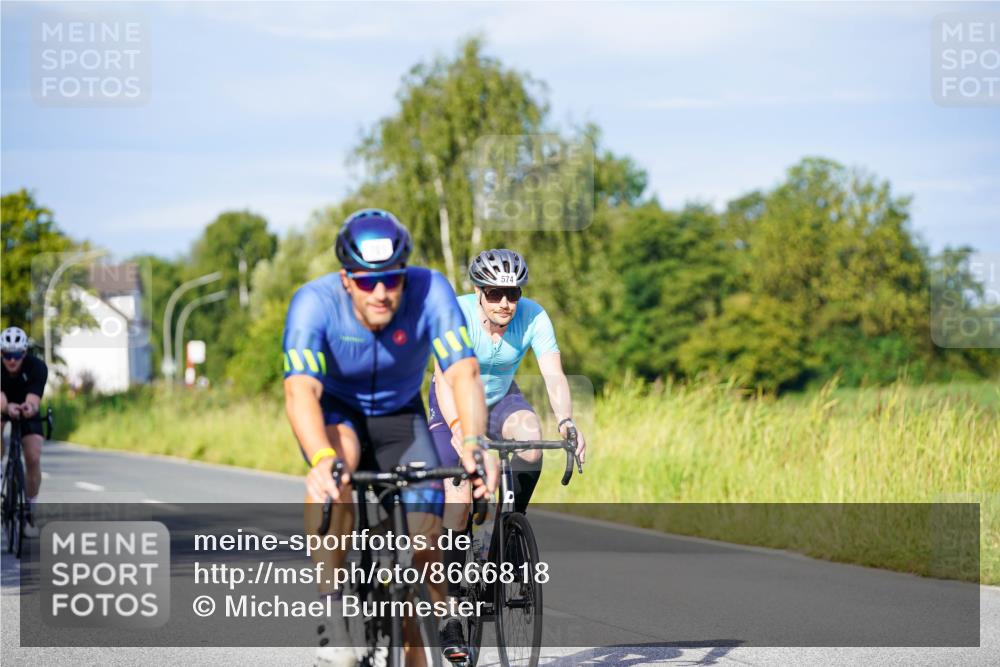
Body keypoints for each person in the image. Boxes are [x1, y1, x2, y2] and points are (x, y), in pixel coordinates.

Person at [282, 209, 496, 667]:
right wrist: (320, 458)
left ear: (404, 272)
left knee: (423, 543)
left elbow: (464, 372)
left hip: (400, 415)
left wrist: (475, 442)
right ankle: (333, 610)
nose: (380, 292)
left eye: (391, 279)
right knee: (339, 467)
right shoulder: (313, 303)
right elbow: (300, 389)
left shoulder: (430, 290)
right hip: (338, 414)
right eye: (365, 282)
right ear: (345, 279)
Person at [427, 249, 588, 662]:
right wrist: (465, 435)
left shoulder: (533, 315)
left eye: (512, 293)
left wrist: (567, 421)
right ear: (479, 291)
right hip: (453, 405)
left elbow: (553, 375)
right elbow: (446, 381)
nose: (505, 303)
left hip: (500, 399)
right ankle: (449, 610)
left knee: (531, 443)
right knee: (459, 497)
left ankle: (508, 535)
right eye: (496, 293)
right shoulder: (457, 314)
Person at [1, 326, 48, 539]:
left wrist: (28, 408)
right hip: (3, 406)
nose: (12, 360)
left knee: (33, 455)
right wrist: (7, 408)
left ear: (25, 353)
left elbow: (34, 400)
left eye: (17, 354)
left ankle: (30, 511)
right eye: (7, 355)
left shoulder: (37, 366)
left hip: (26, 410)